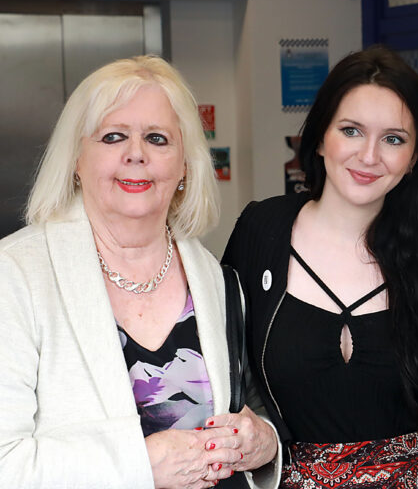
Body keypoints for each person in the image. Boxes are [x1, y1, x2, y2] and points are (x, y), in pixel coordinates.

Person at [0, 56, 280, 488]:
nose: (136, 154)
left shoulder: (216, 279)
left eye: (157, 138)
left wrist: (265, 444)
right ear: (76, 158)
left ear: (185, 163)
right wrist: (139, 466)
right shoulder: (15, 274)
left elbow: (256, 404)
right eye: (113, 137)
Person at [222, 45, 418, 488]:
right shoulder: (262, 230)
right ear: (319, 137)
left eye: (393, 139)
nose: (369, 156)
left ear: (414, 157)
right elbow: (224, 366)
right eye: (351, 131)